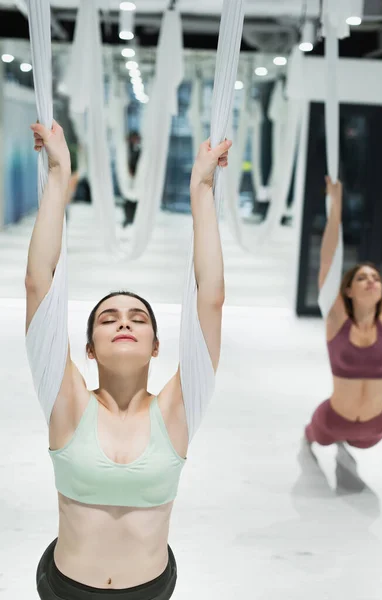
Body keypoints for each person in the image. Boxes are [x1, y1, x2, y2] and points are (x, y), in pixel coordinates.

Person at [26, 119, 231, 599]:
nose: (124, 322)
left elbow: (212, 299)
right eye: (109, 318)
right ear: (90, 348)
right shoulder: (67, 402)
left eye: (138, 318)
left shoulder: (177, 410)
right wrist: (59, 174)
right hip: (65, 589)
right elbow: (40, 283)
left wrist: (202, 190)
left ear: (157, 345)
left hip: (150, 590)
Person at [305, 176, 382, 450]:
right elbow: (328, 262)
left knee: (357, 450)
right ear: (348, 290)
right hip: (332, 421)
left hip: (375, 426)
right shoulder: (337, 320)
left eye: (376, 278)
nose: (371, 281)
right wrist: (335, 206)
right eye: (362, 278)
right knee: (311, 439)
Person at [122, 131, 141, 228]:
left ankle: (130, 219)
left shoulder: (137, 149)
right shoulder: (128, 149)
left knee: (133, 201)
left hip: (136, 176)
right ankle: (128, 219)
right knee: (129, 200)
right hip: (131, 176)